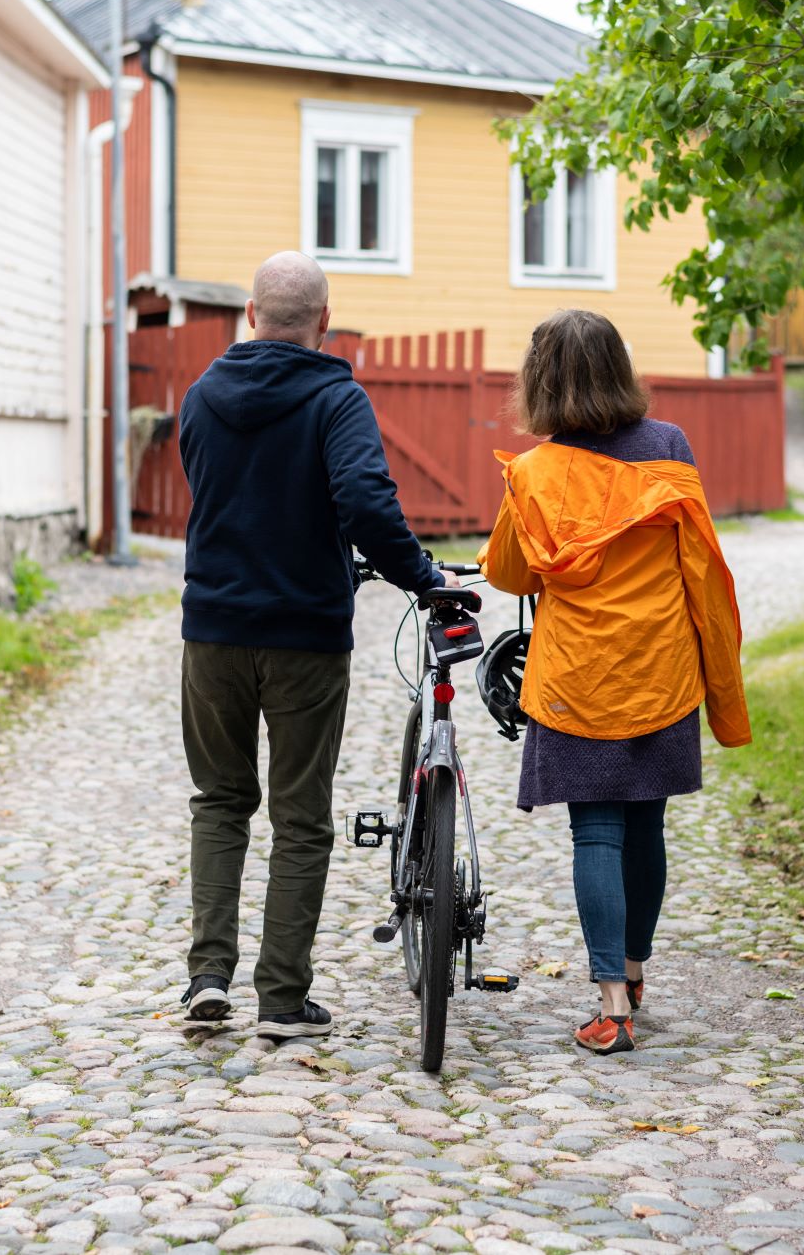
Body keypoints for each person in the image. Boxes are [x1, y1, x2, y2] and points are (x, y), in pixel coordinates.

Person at [174, 250, 448, 1039]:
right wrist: (421, 575)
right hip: (305, 638)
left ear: (250, 316)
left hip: (214, 633)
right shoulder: (337, 399)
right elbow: (363, 499)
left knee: (219, 801)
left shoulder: (201, 397)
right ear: (324, 323)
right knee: (300, 818)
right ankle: (283, 997)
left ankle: (207, 975)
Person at [479, 309, 752, 1055]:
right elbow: (700, 562)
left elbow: (508, 572)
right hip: (661, 670)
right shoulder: (669, 450)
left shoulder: (535, 472)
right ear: (620, 369)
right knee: (646, 825)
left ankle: (609, 1005)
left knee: (595, 829)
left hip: (579, 679)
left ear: (541, 382)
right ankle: (633, 972)